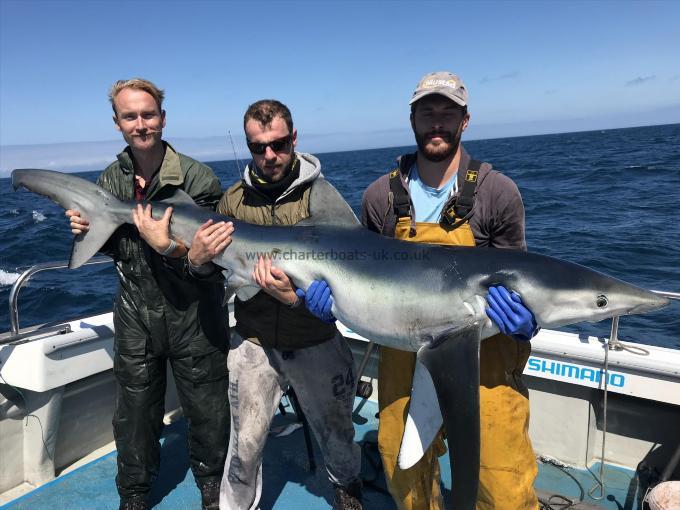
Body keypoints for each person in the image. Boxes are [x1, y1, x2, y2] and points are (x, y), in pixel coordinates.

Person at [304, 72, 540, 509]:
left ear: (465, 121)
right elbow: (361, 271)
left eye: (447, 112)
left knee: (502, 481)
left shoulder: (497, 194)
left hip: (484, 357)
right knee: (402, 467)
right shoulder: (381, 196)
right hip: (403, 353)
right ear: (412, 118)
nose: (437, 122)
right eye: (427, 112)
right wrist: (331, 302)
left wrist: (528, 321)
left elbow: (524, 279)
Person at [66, 78, 233, 510]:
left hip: (194, 310)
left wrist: (171, 248)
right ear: (118, 123)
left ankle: (214, 490)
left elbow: (214, 262)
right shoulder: (109, 180)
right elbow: (117, 249)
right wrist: (89, 233)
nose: (141, 124)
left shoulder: (198, 177)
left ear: (162, 117)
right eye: (130, 116)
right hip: (136, 311)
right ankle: (134, 495)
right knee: (135, 414)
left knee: (208, 409)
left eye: (148, 114)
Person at [188, 99, 363, 510]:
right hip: (254, 338)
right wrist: (195, 263)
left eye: (279, 144)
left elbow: (356, 269)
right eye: (258, 147)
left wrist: (305, 302)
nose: (269, 155)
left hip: (316, 335)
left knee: (339, 434)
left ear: (294, 139)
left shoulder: (322, 197)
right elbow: (215, 277)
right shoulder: (231, 202)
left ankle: (347, 487)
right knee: (243, 447)